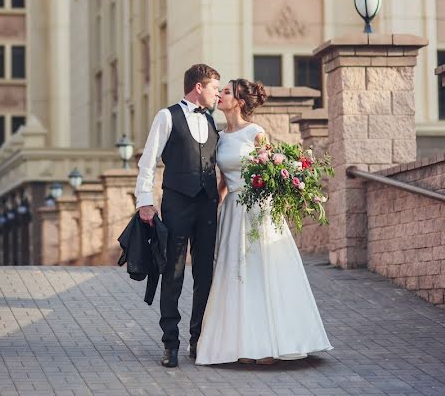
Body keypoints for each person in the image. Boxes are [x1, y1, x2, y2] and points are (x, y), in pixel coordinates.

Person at [194, 79, 332, 365]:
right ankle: (242, 344)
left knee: (261, 271)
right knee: (236, 275)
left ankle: (269, 343)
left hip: (258, 209)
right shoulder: (219, 136)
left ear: (240, 101)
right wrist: (213, 209)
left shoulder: (256, 133)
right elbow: (223, 180)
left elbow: (270, 170)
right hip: (233, 209)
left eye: (227, 92)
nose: (220, 95)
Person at [134, 63, 221, 368]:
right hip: (176, 204)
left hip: (208, 206)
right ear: (199, 87)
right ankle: (170, 342)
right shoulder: (166, 116)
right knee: (173, 273)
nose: (218, 95)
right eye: (214, 88)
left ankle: (198, 339)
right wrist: (144, 200)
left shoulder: (212, 120)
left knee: (205, 275)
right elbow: (148, 159)